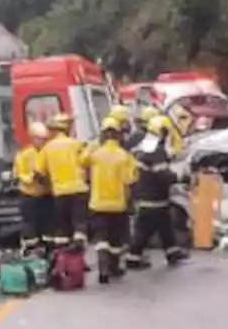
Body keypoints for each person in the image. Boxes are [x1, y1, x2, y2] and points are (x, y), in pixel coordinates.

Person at [81, 116, 139, 284]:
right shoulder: (125, 156)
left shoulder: (96, 154)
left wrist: (92, 146)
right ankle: (113, 267)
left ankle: (103, 268)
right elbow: (131, 179)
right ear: (118, 135)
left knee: (101, 237)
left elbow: (81, 161)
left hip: (98, 203)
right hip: (118, 204)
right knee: (115, 240)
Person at [127, 116, 188, 270]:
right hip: (152, 198)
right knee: (144, 230)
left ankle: (172, 252)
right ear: (162, 131)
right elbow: (163, 175)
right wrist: (181, 177)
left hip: (150, 195)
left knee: (165, 225)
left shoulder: (147, 146)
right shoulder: (155, 150)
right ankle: (132, 258)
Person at [35, 112, 88, 245]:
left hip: (60, 192)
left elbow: (38, 174)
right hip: (79, 190)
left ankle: (64, 257)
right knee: (80, 225)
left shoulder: (47, 148)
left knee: (63, 226)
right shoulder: (77, 144)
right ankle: (78, 253)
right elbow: (87, 164)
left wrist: (48, 186)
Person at [14, 121, 53, 253]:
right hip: (29, 195)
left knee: (48, 223)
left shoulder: (48, 152)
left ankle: (48, 249)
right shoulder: (24, 155)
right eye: (40, 139)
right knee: (30, 223)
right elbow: (19, 174)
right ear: (33, 138)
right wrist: (32, 178)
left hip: (46, 194)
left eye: (45, 139)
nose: (43, 142)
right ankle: (31, 249)